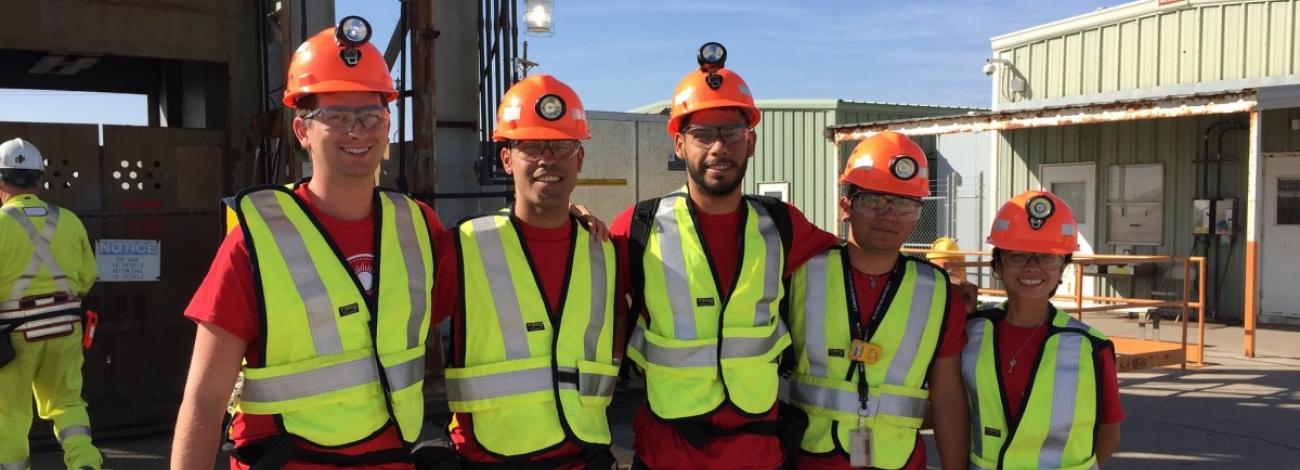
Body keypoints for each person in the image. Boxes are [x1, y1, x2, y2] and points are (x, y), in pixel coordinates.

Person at [172, 18, 442, 469]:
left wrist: (566, 217)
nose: (358, 130)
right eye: (336, 117)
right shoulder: (256, 242)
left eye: (371, 116)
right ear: (302, 131)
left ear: (388, 125)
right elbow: (204, 399)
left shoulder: (418, 226)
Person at [612, 42, 839, 470]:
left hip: (757, 454)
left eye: (732, 133)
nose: (719, 147)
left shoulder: (783, 225)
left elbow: (860, 262)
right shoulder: (639, 227)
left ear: (750, 143)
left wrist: (948, 284)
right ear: (679, 144)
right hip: (666, 454)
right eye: (702, 134)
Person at [436, 74, 621, 469]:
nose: (548, 159)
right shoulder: (463, 248)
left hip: (583, 456)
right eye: (532, 146)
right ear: (506, 158)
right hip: (487, 457)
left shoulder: (607, 253)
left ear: (580, 158)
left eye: (562, 146)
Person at [784, 131, 969, 469]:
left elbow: (947, 398)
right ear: (845, 206)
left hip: (898, 460)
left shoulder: (937, 292)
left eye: (903, 203)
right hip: (808, 458)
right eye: (872, 200)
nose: (888, 215)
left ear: (917, 215)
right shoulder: (801, 273)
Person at [963, 190, 1123, 469]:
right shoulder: (971, 332)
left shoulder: (1091, 347)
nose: (1033, 267)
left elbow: (1108, 433)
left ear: (1063, 267)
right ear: (998, 265)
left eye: (1047, 257)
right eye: (1018, 256)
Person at [0, 138, 102, 470]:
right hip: (65, 328)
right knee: (67, 402)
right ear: (40, 179)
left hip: (12, 336)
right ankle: (85, 462)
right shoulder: (69, 220)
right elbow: (87, 278)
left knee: (10, 413)